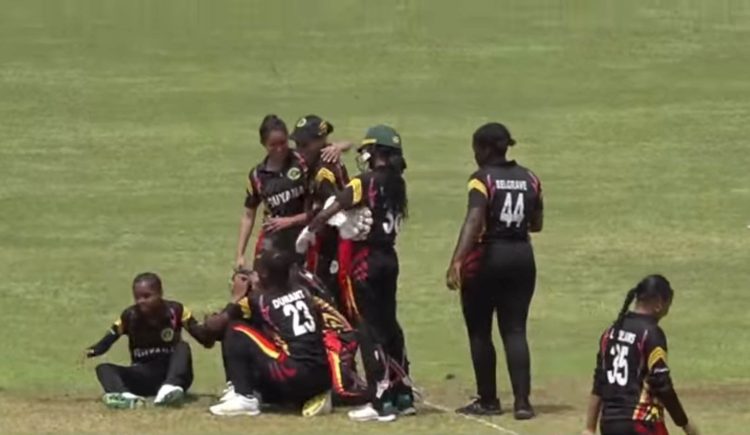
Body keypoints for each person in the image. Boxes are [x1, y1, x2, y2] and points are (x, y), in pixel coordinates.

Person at [296, 125, 413, 422]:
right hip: (390, 258)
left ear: (375, 153)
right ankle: (402, 392)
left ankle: (380, 399)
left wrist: (311, 229)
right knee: (390, 325)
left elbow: (334, 204)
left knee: (368, 329)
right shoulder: (398, 183)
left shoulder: (365, 181)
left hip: (366, 262)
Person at [446, 122, 543, 419]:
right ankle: (523, 403)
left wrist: (457, 260)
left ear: (485, 148)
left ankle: (488, 400)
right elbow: (537, 224)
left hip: (488, 256)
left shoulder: (481, 180)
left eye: (476, 148)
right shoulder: (530, 178)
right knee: (515, 330)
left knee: (480, 331)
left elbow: (474, 220)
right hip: (522, 256)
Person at [207, 250, 333, 417]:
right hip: (321, 377)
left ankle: (244, 398)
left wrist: (236, 297)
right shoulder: (304, 292)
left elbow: (213, 327)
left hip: (295, 375)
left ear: (264, 274)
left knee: (235, 329)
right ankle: (306, 395)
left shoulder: (259, 299)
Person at [583, 275, 700, 435]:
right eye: (668, 304)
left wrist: (589, 427)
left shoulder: (610, 333)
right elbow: (662, 384)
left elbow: (599, 382)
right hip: (641, 424)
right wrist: (685, 424)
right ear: (659, 303)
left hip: (609, 424)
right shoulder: (651, 334)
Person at [85, 272, 215, 408]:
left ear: (160, 293)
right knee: (103, 369)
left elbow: (206, 341)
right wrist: (91, 351)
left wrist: (210, 330)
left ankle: (169, 390)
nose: (141, 301)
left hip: (172, 372)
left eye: (147, 296)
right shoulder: (129, 316)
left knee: (182, 347)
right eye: (137, 297)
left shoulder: (176, 310)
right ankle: (127, 398)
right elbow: (107, 341)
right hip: (143, 374)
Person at [290, 114, 352, 311]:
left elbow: (332, 207)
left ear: (319, 143)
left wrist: (306, 226)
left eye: (304, 145)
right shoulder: (322, 155)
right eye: (297, 144)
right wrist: (340, 146)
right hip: (332, 242)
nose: (299, 151)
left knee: (326, 297)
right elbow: (349, 143)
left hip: (332, 245)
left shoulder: (323, 172)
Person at [234, 115, 311, 269]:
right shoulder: (257, 176)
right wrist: (240, 255)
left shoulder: (303, 160)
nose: (279, 149)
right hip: (274, 243)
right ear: (263, 144)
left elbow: (341, 145)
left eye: (283, 142)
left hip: (305, 238)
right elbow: (249, 215)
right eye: (273, 145)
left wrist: (335, 148)